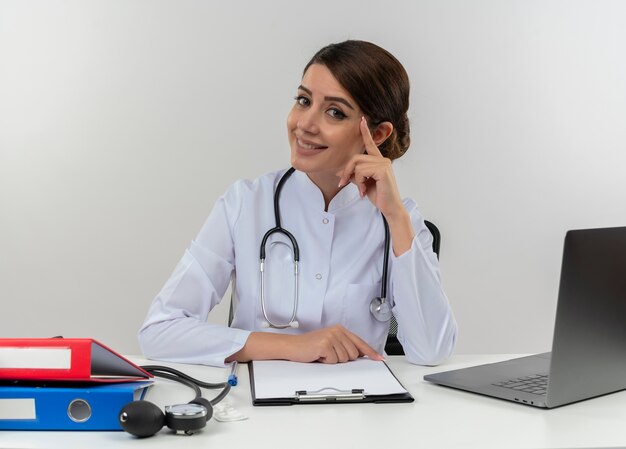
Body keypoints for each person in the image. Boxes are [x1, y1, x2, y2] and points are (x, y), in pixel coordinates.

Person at [138, 40, 457, 367]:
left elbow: (432, 350)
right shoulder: (245, 204)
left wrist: (395, 217)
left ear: (377, 135)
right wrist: (293, 346)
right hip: (257, 410)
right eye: (304, 101)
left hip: (359, 409)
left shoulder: (400, 221)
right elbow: (160, 330)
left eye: (335, 112)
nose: (305, 124)